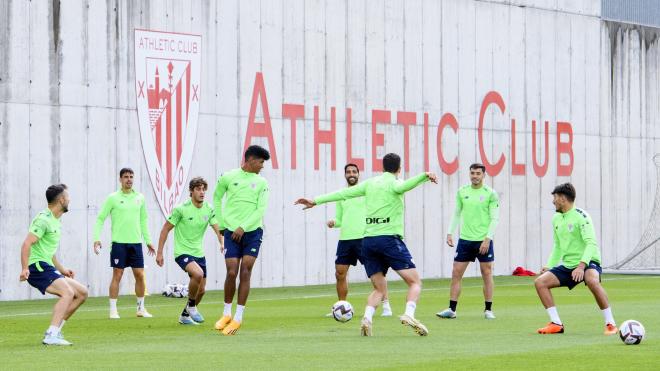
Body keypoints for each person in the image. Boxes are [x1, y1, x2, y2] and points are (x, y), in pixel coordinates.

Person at [296, 153, 437, 336]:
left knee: (379, 287)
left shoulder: (370, 184)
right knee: (415, 282)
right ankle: (409, 314)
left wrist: (316, 200)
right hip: (388, 240)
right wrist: (425, 175)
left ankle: (367, 318)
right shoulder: (395, 183)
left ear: (382, 168)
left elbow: (343, 193)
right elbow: (407, 185)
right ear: (399, 169)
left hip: (368, 241)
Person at [534, 183, 618, 335]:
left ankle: (611, 323)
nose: (553, 201)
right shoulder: (556, 219)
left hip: (588, 262)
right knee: (540, 282)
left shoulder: (582, 216)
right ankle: (556, 324)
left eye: (555, 198)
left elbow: (591, 243)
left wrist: (581, 266)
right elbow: (558, 245)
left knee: (592, 280)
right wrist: (549, 265)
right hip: (568, 265)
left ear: (563, 199)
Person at [19, 184, 88, 345]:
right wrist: (24, 268)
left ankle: (56, 331)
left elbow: (48, 251)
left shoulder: (55, 220)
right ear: (62, 200)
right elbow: (26, 244)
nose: (70, 200)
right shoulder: (43, 219)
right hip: (37, 267)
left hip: (46, 266)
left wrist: (62, 269)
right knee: (68, 293)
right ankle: (51, 334)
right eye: (68, 197)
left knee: (82, 293)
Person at [213, 145, 271, 335]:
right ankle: (226, 314)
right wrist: (222, 225)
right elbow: (216, 198)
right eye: (261, 162)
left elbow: (260, 210)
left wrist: (243, 227)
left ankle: (238, 317)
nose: (262, 166)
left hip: (253, 232)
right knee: (231, 272)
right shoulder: (228, 177)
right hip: (230, 232)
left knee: (245, 271)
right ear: (251, 160)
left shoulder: (262, 183)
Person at [326, 163, 392, 317]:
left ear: (358, 174)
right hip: (345, 240)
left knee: (376, 273)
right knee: (339, 273)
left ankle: (386, 305)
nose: (351, 174)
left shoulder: (365, 192)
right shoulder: (342, 195)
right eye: (348, 172)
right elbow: (340, 218)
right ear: (345, 175)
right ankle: (341, 306)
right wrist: (334, 222)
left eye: (354, 172)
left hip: (364, 239)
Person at [156, 177, 223, 325]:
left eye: (203, 189)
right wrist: (159, 253)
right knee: (197, 274)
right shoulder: (181, 209)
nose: (202, 192)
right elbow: (165, 230)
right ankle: (192, 306)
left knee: (202, 290)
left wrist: (222, 242)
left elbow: (218, 229)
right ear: (191, 191)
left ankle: (185, 316)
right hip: (182, 252)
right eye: (198, 189)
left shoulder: (209, 208)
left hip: (199, 253)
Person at [437, 163, 499, 320]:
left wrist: (488, 238)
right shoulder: (462, 191)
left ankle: (488, 309)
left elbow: (494, 218)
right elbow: (457, 213)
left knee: (487, 273)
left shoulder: (490, 193)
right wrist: (450, 232)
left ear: (484, 175)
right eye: (472, 173)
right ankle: (452, 309)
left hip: (483, 241)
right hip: (465, 240)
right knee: (456, 273)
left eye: (478, 173)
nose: (475, 176)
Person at [93, 168, 154, 319]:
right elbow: (100, 218)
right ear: (120, 179)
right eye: (126, 177)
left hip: (136, 243)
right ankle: (113, 310)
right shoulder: (112, 198)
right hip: (119, 244)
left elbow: (143, 220)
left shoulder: (140, 197)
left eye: (131, 177)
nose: (129, 179)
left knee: (140, 275)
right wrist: (96, 238)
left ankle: (140, 308)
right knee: (117, 275)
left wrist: (148, 241)